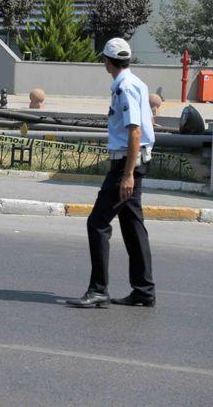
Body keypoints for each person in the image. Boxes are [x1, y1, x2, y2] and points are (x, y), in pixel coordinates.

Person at [67, 38, 155, 308]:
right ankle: (144, 290)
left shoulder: (124, 87)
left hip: (125, 164)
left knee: (97, 223)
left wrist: (128, 174)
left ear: (107, 62)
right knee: (132, 226)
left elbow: (135, 131)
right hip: (136, 161)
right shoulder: (137, 82)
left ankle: (99, 289)